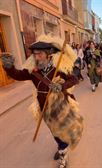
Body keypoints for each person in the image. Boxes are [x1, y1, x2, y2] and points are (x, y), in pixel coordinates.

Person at [1, 35, 84, 168]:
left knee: (60, 129)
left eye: (39, 54)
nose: (36, 57)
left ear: (48, 54)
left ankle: (63, 153)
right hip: (43, 106)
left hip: (60, 105)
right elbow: (17, 75)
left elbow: (74, 79)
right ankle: (62, 147)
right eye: (34, 54)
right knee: (53, 130)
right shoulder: (33, 70)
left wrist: (61, 86)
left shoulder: (59, 67)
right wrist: (9, 67)